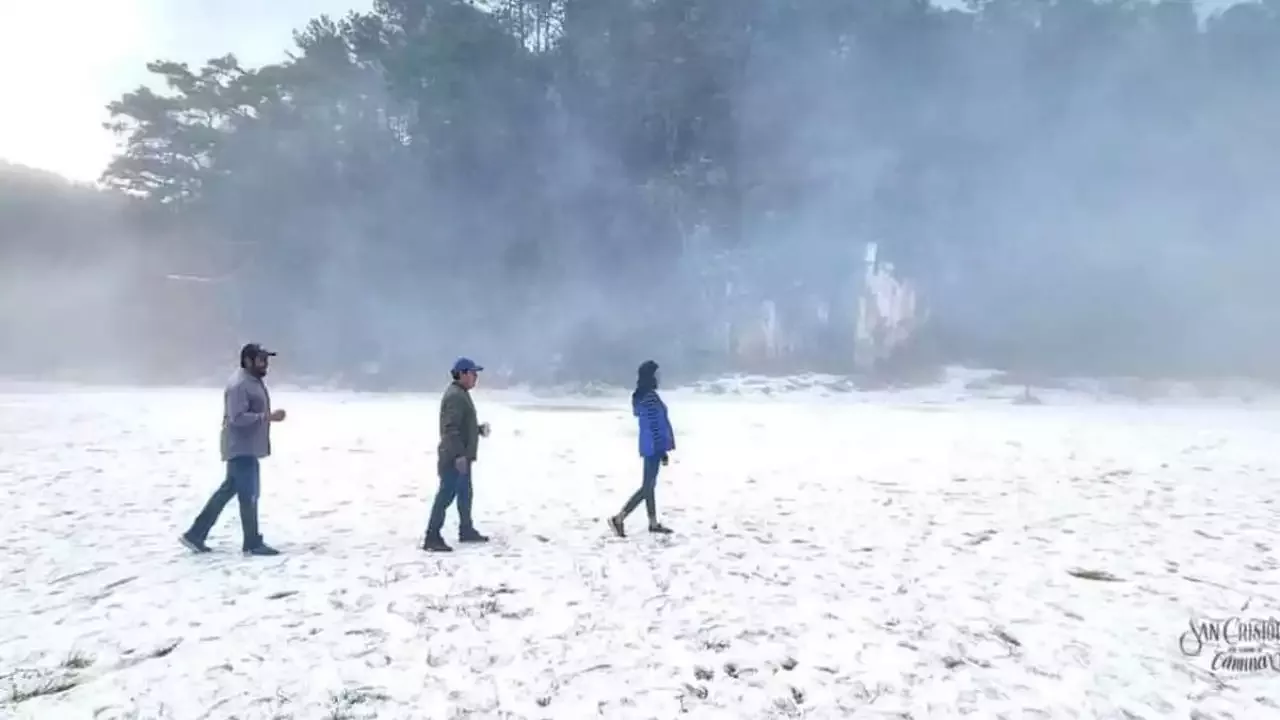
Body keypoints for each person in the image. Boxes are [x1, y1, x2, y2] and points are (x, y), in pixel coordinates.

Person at [180, 343, 287, 556]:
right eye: (261, 360)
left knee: (229, 491)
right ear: (248, 361)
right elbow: (236, 418)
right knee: (249, 494)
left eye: (266, 360)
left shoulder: (251, 381)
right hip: (241, 448)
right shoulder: (240, 385)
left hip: (245, 447)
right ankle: (252, 542)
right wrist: (268, 417)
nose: (265, 365)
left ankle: (196, 534)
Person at [423, 357, 491, 552]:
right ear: (461, 374)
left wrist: (477, 430)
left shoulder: (461, 394)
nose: (476, 377)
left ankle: (466, 529)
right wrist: (459, 455)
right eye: (473, 373)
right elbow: (450, 429)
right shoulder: (455, 396)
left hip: (460, 457)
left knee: (464, 494)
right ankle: (432, 536)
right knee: (446, 495)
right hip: (454, 458)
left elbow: (461, 426)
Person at [609, 360, 675, 537]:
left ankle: (652, 522)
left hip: (649, 445)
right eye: (656, 374)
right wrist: (662, 450)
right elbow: (655, 426)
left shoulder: (643, 396)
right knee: (647, 487)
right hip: (653, 447)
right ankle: (619, 518)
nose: (659, 378)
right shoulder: (650, 398)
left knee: (649, 485)